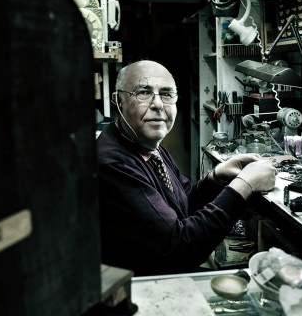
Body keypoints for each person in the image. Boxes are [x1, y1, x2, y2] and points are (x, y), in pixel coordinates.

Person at [96, 60, 276, 276]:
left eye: (166, 94)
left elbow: (183, 203)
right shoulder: (113, 164)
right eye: (143, 92)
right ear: (118, 101)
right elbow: (182, 248)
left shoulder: (148, 146)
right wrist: (244, 185)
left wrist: (216, 177)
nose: (158, 104)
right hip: (147, 290)